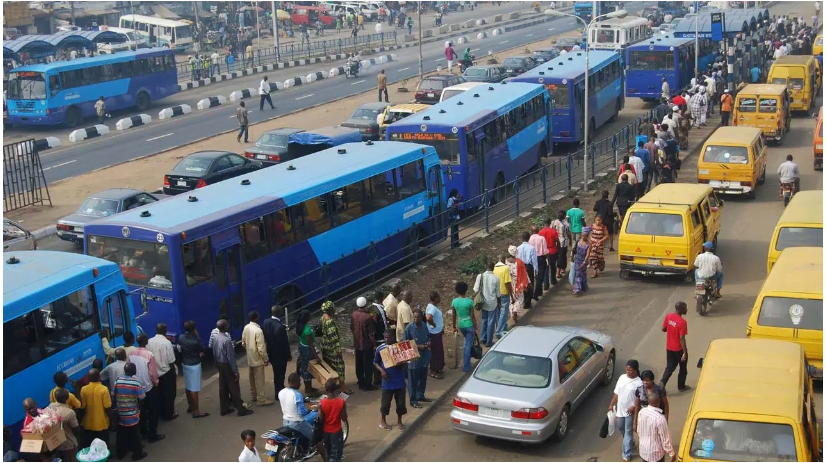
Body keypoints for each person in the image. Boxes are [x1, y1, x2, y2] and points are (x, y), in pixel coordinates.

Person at [278, 374, 325, 460]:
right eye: (299, 382)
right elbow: (302, 412)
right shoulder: (297, 395)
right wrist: (310, 410)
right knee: (317, 439)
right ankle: (328, 459)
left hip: (285, 421)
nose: (300, 384)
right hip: (297, 422)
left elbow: (289, 402)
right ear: (294, 383)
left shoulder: (281, 392)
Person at [213, 320, 254, 417]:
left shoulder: (215, 337)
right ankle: (240, 409)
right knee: (234, 388)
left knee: (222, 387)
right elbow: (231, 358)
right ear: (225, 327)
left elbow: (214, 351)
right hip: (227, 365)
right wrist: (235, 372)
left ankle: (224, 409)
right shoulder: (226, 340)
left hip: (219, 363)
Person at [130, 333, 163, 442]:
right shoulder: (149, 355)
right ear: (146, 341)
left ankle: (143, 432)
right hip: (148, 387)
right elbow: (153, 374)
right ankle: (152, 434)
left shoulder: (132, 353)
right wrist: (156, 383)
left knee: (142, 412)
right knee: (153, 412)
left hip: (136, 388)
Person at [608, 360, 643, 463]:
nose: (628, 372)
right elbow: (617, 393)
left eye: (630, 370)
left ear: (636, 370)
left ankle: (626, 454)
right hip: (620, 410)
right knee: (621, 427)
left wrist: (633, 407)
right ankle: (630, 442)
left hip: (630, 412)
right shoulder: (622, 378)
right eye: (627, 370)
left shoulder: (639, 383)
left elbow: (640, 399)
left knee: (628, 432)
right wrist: (611, 404)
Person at [113, 363, 148, 461]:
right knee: (135, 436)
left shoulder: (118, 380)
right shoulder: (136, 382)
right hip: (132, 415)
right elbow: (142, 398)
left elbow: (113, 395)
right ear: (133, 371)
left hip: (121, 414)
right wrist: (138, 410)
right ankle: (137, 454)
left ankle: (120, 454)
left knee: (121, 435)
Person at [375, 329, 408, 431]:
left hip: (399, 380)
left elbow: (406, 360)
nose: (386, 339)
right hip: (387, 381)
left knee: (401, 403)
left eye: (388, 337)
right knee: (385, 403)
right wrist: (381, 371)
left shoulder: (400, 347)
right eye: (385, 337)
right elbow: (375, 362)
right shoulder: (380, 348)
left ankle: (399, 422)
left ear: (393, 336)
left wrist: (402, 363)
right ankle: (383, 421)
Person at [319, 301, 354, 395]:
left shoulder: (322, 318)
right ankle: (342, 387)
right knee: (340, 366)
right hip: (332, 348)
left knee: (329, 365)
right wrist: (338, 350)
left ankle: (331, 385)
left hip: (325, 346)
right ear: (331, 310)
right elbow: (333, 337)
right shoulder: (330, 321)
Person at [242, 311, 275, 407]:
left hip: (250, 358)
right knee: (259, 379)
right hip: (258, 359)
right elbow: (261, 348)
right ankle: (261, 399)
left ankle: (254, 395)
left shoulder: (246, 327)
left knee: (252, 378)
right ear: (256, 318)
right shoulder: (258, 331)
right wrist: (265, 359)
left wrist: (249, 351)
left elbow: (243, 343)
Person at [178, 321, 208, 418]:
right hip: (194, 365)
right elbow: (202, 348)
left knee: (188, 386)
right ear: (193, 330)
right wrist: (198, 336)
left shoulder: (181, 338)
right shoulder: (194, 342)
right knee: (194, 388)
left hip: (185, 363)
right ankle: (196, 411)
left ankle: (190, 406)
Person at [147, 323, 177, 421]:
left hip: (154, 373)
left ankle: (160, 412)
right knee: (169, 394)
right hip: (166, 372)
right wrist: (173, 372)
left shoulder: (149, 341)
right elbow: (171, 360)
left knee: (158, 394)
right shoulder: (167, 343)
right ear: (165, 330)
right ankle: (168, 414)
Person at [262, 305, 292, 398]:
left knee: (276, 373)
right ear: (278, 312)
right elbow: (284, 343)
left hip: (271, 352)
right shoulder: (280, 327)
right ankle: (279, 392)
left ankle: (278, 390)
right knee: (281, 374)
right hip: (280, 355)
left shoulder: (266, 322)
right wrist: (288, 355)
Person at [404, 309, 431, 408]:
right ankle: (413, 400)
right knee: (413, 381)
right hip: (414, 359)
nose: (416, 318)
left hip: (424, 358)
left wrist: (428, 342)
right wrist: (419, 347)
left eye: (418, 316)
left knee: (423, 378)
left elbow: (428, 336)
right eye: (414, 317)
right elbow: (405, 344)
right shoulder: (409, 328)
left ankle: (421, 395)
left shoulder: (424, 325)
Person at [637, 392, 676, 462]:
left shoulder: (641, 412)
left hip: (643, 450)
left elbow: (639, 430)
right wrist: (671, 453)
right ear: (659, 402)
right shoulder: (660, 419)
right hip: (656, 454)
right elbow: (665, 439)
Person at [660, 301, 689, 392]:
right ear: (680, 309)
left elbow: (663, 329)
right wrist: (684, 352)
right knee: (683, 368)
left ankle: (662, 383)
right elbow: (681, 338)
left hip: (669, 347)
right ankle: (681, 386)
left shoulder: (669, 316)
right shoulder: (682, 322)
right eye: (685, 308)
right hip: (678, 349)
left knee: (669, 367)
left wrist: (671, 330)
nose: (686, 309)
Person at [351, 297, 378, 390]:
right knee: (368, 365)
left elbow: (352, 328)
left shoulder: (353, 315)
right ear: (365, 305)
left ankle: (361, 381)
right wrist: (374, 345)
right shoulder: (367, 317)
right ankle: (368, 384)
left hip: (357, 344)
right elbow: (371, 334)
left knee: (359, 364)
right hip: (366, 345)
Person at [79, 368, 111, 448]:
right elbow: (107, 407)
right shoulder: (104, 389)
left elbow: (83, 406)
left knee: (90, 443)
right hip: (101, 422)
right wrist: (112, 419)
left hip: (88, 422)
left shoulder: (84, 389)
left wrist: (81, 420)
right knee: (103, 443)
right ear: (99, 377)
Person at [318, 378, 347, 462]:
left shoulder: (322, 403)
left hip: (326, 432)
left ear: (326, 390)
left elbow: (320, 419)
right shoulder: (341, 402)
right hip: (337, 432)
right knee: (337, 456)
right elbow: (344, 418)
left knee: (328, 453)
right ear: (336, 390)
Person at [48, 389, 80, 462]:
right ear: (67, 398)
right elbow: (75, 429)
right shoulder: (69, 412)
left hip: (56, 443)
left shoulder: (50, 406)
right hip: (68, 444)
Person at [473, 260, 501, 347]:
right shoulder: (496, 278)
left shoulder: (480, 276)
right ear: (493, 268)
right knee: (491, 322)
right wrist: (499, 303)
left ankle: (483, 338)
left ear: (486, 267)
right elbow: (498, 294)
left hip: (483, 302)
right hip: (492, 303)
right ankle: (489, 342)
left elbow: (475, 289)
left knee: (484, 320)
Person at [451, 281, 477, 372]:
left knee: (466, 342)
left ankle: (467, 362)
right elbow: (472, 316)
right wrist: (476, 327)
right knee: (467, 345)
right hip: (469, 325)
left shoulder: (454, 302)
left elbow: (454, 315)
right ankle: (466, 366)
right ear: (466, 290)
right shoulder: (469, 301)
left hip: (461, 325)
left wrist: (454, 326)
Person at [295, 310, 321, 396]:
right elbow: (311, 344)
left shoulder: (300, 326)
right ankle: (308, 389)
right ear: (307, 318)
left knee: (304, 367)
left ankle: (308, 387)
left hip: (302, 347)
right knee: (308, 369)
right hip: (307, 350)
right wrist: (316, 356)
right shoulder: (307, 329)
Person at [505, 246, 529, 326]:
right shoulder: (519, 262)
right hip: (518, 283)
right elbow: (524, 273)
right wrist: (528, 282)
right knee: (520, 298)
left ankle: (512, 314)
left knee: (511, 299)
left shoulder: (506, 262)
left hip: (509, 283)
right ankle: (515, 311)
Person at [493, 254, 514, 341]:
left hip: (496, 293)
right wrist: (512, 295)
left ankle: (503, 327)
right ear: (504, 260)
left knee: (498, 312)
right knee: (504, 312)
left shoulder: (494, 268)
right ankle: (499, 331)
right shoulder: (506, 268)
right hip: (504, 292)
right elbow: (507, 283)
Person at [424, 292, 445, 379]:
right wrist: (433, 324)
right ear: (436, 298)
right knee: (435, 352)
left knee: (438, 351)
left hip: (437, 332)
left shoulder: (431, 306)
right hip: (434, 333)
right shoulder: (432, 308)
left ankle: (438, 367)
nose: (440, 298)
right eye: (439, 297)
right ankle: (433, 371)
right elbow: (429, 318)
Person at [516, 231, 538, 308]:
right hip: (529, 267)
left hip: (521, 267)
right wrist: (536, 270)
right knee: (530, 283)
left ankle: (524, 300)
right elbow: (534, 260)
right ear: (529, 238)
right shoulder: (531, 248)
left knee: (523, 283)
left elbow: (517, 259)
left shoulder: (518, 248)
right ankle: (528, 302)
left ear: (522, 238)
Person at [528, 226, 548, 300]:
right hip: (540, 258)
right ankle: (536, 293)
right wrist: (547, 258)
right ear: (538, 230)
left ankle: (532, 293)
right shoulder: (542, 238)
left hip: (532, 259)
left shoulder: (529, 239)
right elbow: (545, 251)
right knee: (540, 277)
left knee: (532, 277)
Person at [539, 217, 560, 288]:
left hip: (544, 252)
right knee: (553, 266)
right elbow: (557, 241)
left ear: (544, 223)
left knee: (545, 268)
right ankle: (553, 280)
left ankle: (546, 284)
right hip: (553, 251)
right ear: (550, 223)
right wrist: (558, 248)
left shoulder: (540, 232)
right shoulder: (553, 231)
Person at [551, 210, 572, 279]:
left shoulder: (553, 222)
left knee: (558, 256)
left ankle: (561, 269)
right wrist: (570, 240)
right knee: (562, 256)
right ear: (564, 216)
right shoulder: (565, 223)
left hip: (555, 242)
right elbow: (568, 233)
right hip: (563, 242)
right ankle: (559, 271)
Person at [571, 228, 591, 296]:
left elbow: (588, 254)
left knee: (583, 274)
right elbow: (574, 250)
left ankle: (583, 287)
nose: (583, 237)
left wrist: (584, 262)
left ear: (587, 236)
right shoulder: (578, 241)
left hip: (583, 261)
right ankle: (577, 289)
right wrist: (572, 257)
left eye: (585, 235)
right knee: (578, 274)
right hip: (577, 259)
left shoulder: (588, 244)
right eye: (582, 235)